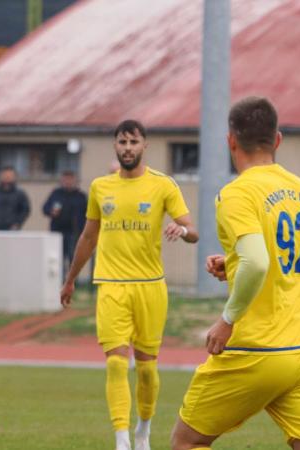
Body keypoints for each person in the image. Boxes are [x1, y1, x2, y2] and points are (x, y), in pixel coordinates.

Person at [171, 97, 300, 450]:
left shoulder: (237, 193)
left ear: (231, 140)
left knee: (186, 442)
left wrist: (227, 319)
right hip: (299, 350)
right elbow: (283, 260)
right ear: (277, 139)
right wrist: (234, 264)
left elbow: (258, 262)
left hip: (255, 349)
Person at [60, 120, 198, 450]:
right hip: (111, 285)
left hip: (150, 286)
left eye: (133, 141)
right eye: (121, 142)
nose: (127, 148)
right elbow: (88, 236)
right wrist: (70, 279)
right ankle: (122, 440)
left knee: (147, 369)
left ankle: (143, 430)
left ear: (144, 145)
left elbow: (192, 230)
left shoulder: (163, 186)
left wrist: (182, 231)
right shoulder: (100, 187)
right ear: (115, 146)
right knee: (116, 361)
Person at [42, 170, 87, 273]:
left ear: (75, 180)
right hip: (57, 232)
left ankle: (72, 282)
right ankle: (59, 281)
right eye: (66, 179)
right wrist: (51, 212)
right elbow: (45, 209)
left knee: (73, 259)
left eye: (71, 179)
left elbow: (88, 215)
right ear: (62, 180)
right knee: (58, 258)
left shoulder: (81, 196)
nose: (68, 182)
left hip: (74, 233)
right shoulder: (56, 194)